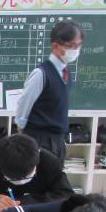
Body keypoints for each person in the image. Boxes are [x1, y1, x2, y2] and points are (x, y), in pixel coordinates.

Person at [15, 20, 84, 162]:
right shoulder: (41, 73)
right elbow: (24, 105)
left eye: (78, 46)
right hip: (40, 139)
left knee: (55, 174)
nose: (75, 50)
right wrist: (24, 137)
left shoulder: (65, 73)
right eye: (71, 46)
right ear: (55, 46)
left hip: (58, 140)